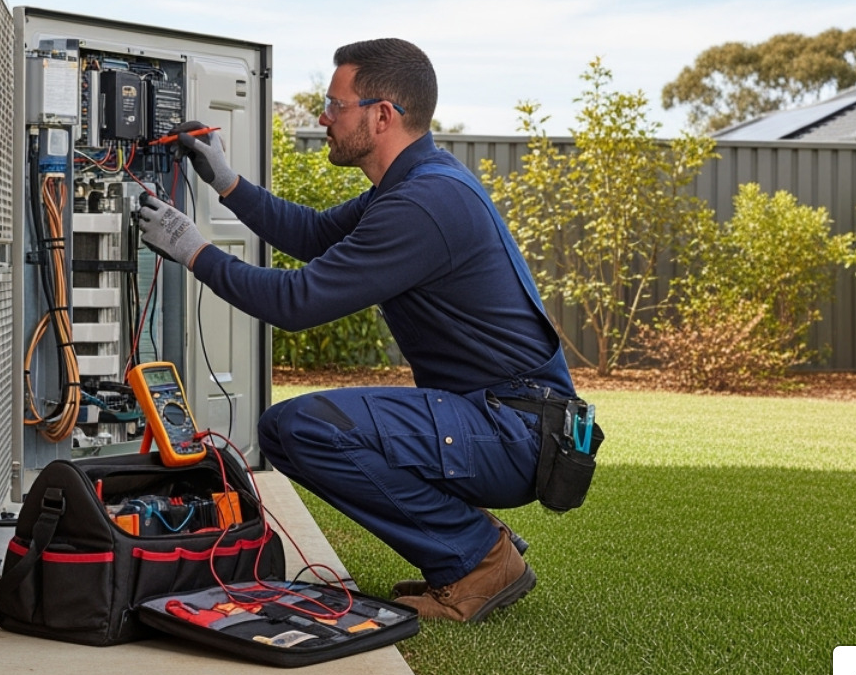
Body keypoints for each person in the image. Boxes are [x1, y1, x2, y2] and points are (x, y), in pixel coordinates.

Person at [135, 37, 574, 623]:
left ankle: (478, 559)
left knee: (298, 429)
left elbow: (298, 300)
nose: (323, 118)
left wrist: (193, 251)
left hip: (511, 428)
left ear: (382, 115)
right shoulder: (411, 186)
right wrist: (227, 181)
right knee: (301, 429)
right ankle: (472, 540)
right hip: (498, 418)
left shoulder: (425, 203)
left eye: (334, 104)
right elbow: (313, 233)